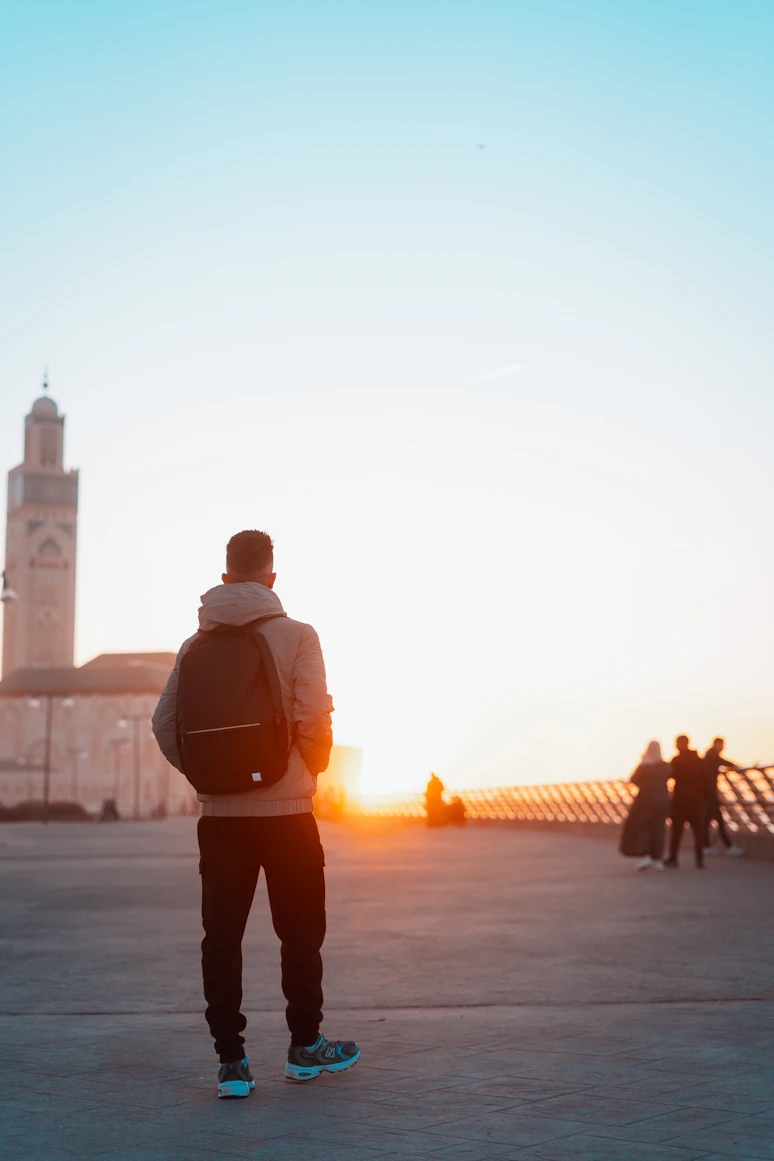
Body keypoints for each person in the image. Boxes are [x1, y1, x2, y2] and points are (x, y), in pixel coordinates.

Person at [152, 530, 359, 1098]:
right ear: (272, 577)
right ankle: (304, 1049)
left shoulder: (194, 647)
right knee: (300, 932)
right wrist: (306, 774)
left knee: (221, 937)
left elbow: (163, 726)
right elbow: (314, 715)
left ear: (224, 579)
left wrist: (207, 780)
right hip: (289, 813)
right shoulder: (298, 635)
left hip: (220, 821)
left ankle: (232, 1064)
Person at [619, 740, 670, 870]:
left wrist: (643, 763)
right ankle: (658, 860)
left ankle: (645, 856)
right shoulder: (665, 766)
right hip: (663, 801)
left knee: (643, 828)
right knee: (659, 829)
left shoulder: (645, 765)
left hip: (645, 801)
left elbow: (633, 780)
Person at [665, 735, 707, 869]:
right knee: (698, 832)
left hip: (680, 801)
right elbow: (706, 779)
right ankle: (700, 860)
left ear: (679, 744)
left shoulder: (677, 760)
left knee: (676, 831)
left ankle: (673, 858)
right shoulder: (698, 760)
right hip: (696, 800)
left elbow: (668, 775)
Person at [702, 738, 745, 856]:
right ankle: (728, 846)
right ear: (717, 744)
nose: (722, 747)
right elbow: (723, 761)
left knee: (706, 820)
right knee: (718, 820)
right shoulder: (712, 755)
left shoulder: (709, 755)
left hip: (707, 793)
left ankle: (706, 846)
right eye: (721, 745)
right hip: (710, 794)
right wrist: (735, 766)